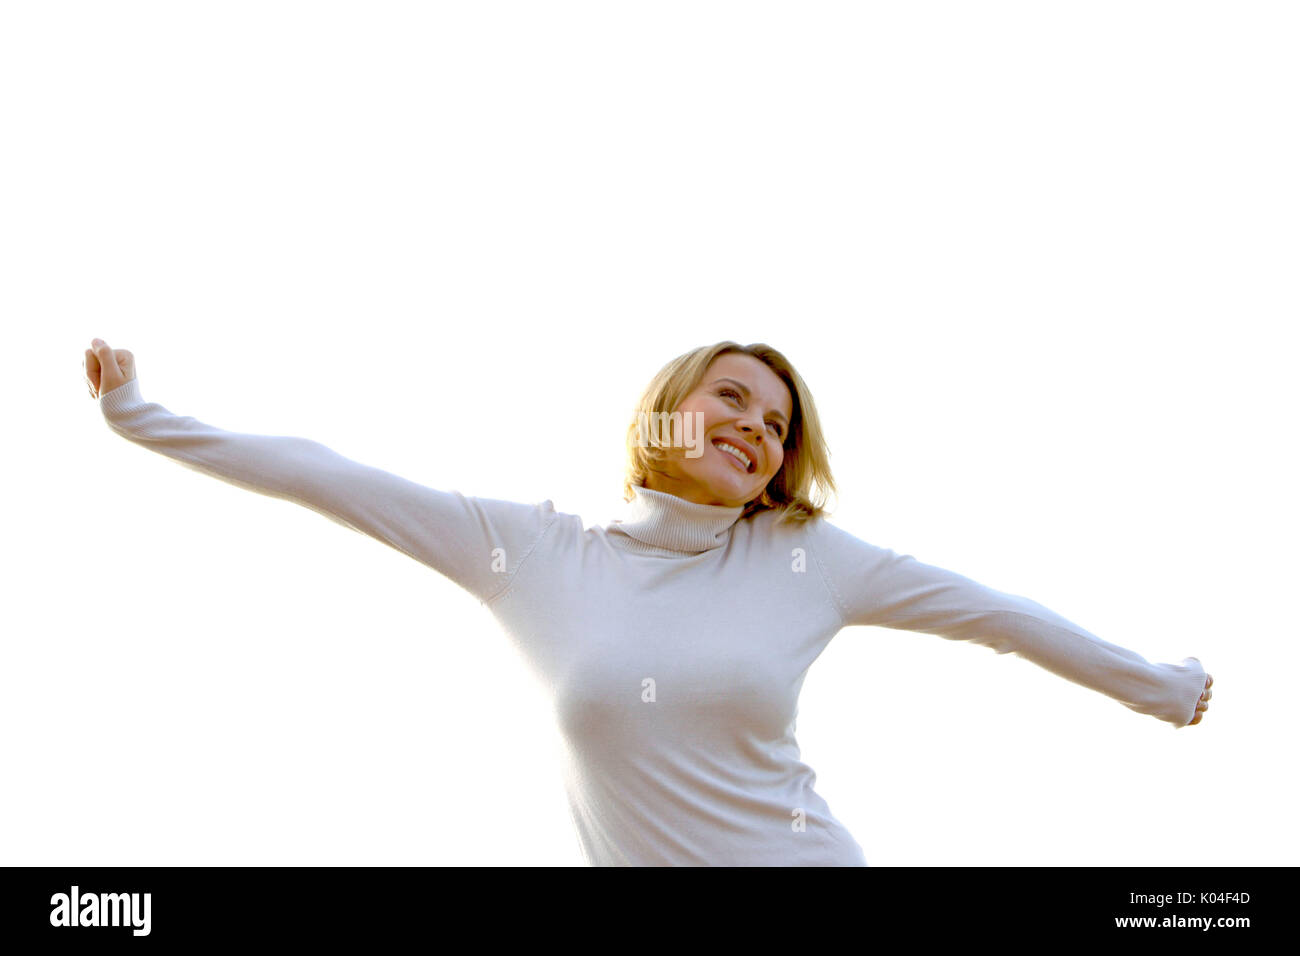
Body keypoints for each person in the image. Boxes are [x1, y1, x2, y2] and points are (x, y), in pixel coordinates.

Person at [83, 336, 1213, 866]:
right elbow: (330, 474)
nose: (754, 429)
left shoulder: (807, 556)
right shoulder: (528, 551)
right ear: (668, 410)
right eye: (732, 398)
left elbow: (998, 615)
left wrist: (1154, 686)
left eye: (776, 426)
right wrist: (141, 413)